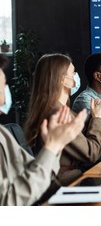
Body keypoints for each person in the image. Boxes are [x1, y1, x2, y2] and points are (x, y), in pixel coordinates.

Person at [0, 54, 88, 206]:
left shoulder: (3, 134)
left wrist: (54, 147)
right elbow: (10, 203)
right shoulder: (55, 112)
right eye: (2, 85)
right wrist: (52, 147)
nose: (4, 93)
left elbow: (36, 171)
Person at [24, 53, 101, 186]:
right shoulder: (58, 115)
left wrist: (95, 117)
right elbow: (91, 153)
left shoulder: (57, 109)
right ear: (62, 79)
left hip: (72, 179)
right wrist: (98, 118)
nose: (76, 77)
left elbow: (82, 141)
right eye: (73, 73)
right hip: (66, 184)